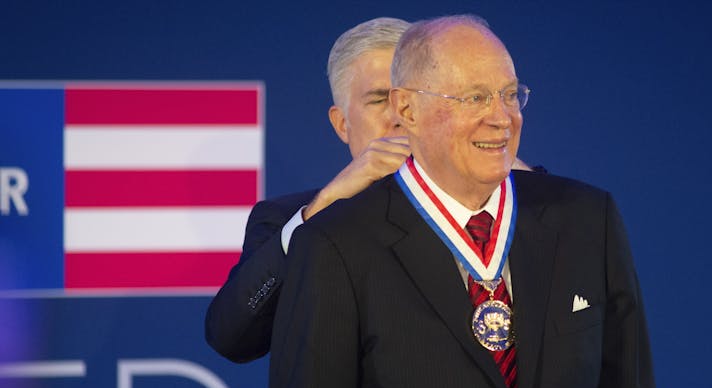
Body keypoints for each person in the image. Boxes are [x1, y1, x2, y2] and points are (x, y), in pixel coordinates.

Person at [269, 15, 667, 388]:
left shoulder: (587, 219)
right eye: (474, 97)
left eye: (510, 93)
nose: (501, 117)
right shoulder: (336, 246)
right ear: (407, 109)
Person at [205, 17, 540, 364]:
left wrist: (492, 160)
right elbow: (232, 337)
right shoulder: (296, 218)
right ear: (341, 124)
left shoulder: (512, 194)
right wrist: (324, 207)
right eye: (381, 99)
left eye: (413, 98)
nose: (401, 115)